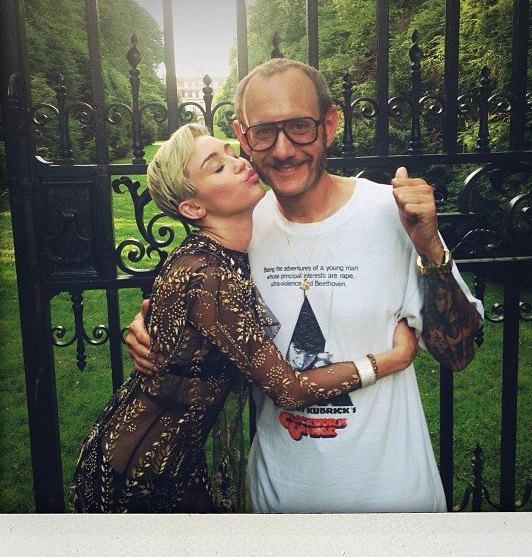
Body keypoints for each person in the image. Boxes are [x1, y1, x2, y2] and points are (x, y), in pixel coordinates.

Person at [127, 59, 484, 513]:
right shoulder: (238, 227)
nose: (283, 150)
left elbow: (459, 354)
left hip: (393, 500)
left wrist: (429, 246)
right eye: (264, 132)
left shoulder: (391, 213)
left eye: (299, 127)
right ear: (243, 137)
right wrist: (149, 329)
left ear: (329, 124)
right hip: (279, 505)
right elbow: (201, 308)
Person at [70, 123, 418, 513]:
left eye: (231, 153)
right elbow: (289, 389)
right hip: (137, 472)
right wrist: (392, 360)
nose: (239, 163)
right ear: (193, 208)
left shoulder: (231, 251)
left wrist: (144, 324)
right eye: (217, 167)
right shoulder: (209, 275)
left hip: (176, 459)